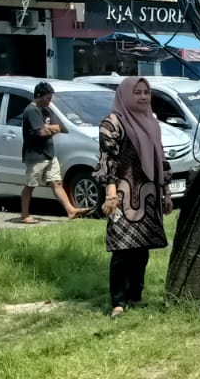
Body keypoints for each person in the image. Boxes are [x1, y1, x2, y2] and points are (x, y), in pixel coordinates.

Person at [98, 76, 171, 317]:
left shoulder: (152, 121)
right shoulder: (113, 123)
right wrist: (110, 193)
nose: (142, 97)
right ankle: (118, 301)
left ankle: (135, 295)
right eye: (137, 92)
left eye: (146, 92)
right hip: (122, 194)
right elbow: (108, 159)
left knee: (142, 250)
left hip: (149, 193)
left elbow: (161, 158)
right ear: (126, 95)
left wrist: (167, 193)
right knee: (121, 250)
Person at [19, 81, 81, 223]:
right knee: (31, 185)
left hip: (49, 153)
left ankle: (71, 210)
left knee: (57, 182)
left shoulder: (46, 110)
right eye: (47, 98)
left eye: (50, 98)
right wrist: (51, 128)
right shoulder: (31, 111)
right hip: (35, 155)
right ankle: (24, 215)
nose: (49, 101)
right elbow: (41, 132)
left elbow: (63, 128)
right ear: (39, 96)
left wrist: (51, 127)